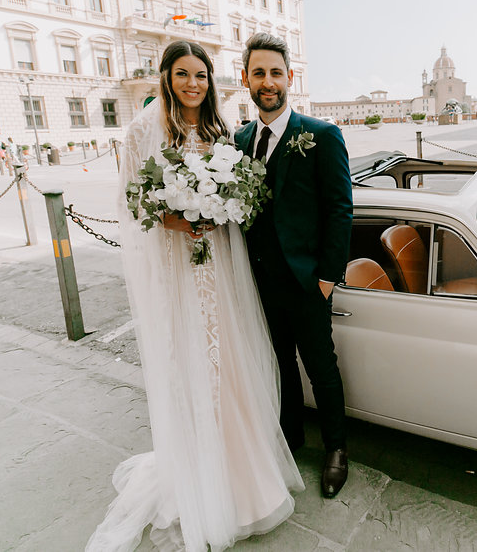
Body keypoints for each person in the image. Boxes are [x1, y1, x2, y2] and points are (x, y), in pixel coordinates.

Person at [88, 41, 303, 552]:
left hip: (220, 267)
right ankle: (203, 480)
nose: (193, 84)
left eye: (201, 75)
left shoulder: (218, 129)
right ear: (166, 77)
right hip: (179, 268)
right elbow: (133, 203)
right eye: (183, 74)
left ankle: (245, 474)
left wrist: (221, 206)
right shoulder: (142, 130)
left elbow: (239, 190)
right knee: (193, 365)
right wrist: (176, 217)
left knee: (229, 362)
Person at [233, 33, 353, 499]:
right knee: (278, 361)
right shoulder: (241, 138)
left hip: (307, 282)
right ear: (246, 79)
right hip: (259, 280)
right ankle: (291, 436)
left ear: (289, 79)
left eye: (276, 73)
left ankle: (337, 449)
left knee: (321, 366)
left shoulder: (322, 136)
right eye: (259, 73)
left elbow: (340, 209)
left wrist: (326, 279)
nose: (268, 82)